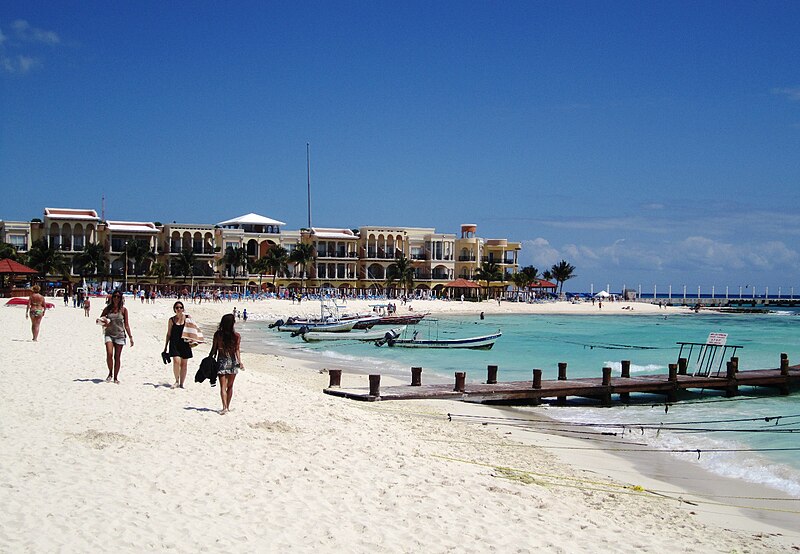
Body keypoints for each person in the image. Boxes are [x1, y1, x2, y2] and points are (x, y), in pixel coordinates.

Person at [209, 313, 244, 414]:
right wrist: (239, 361)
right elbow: (237, 350)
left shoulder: (218, 335)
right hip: (232, 361)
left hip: (221, 361)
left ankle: (224, 407)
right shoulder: (236, 336)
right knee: (230, 386)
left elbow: (214, 349)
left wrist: (209, 358)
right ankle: (227, 407)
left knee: (223, 386)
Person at [99, 291, 134, 383]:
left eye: (118, 297)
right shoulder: (108, 309)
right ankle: (110, 373)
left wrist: (130, 337)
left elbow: (126, 325)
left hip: (120, 335)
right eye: (114, 296)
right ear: (112, 297)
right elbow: (100, 319)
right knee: (109, 354)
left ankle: (115, 377)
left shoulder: (123, 310)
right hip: (109, 334)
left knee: (117, 357)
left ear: (121, 298)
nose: (116, 298)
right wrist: (104, 322)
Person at [163, 301, 193, 388]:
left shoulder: (187, 318)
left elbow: (193, 330)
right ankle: (176, 380)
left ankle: (182, 383)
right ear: (174, 309)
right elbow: (168, 334)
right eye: (177, 308)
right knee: (176, 362)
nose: (179, 309)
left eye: (180, 307)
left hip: (185, 343)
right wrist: (165, 347)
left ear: (183, 309)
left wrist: (194, 341)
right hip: (174, 343)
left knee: (184, 364)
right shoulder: (171, 320)